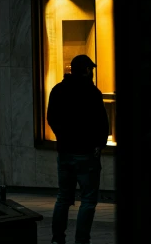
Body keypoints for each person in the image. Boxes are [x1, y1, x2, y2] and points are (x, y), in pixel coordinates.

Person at [47, 54, 109, 244]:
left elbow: (51, 118)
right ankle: (82, 240)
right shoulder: (92, 92)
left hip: (65, 152)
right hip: (87, 153)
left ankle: (58, 238)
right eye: (91, 69)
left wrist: (62, 137)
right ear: (87, 70)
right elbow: (102, 123)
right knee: (88, 200)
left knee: (63, 197)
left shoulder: (58, 90)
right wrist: (99, 144)